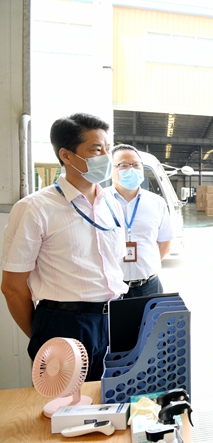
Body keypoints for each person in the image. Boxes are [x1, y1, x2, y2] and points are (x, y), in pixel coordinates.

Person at [1, 113, 128, 381]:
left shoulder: (111, 204)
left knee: (109, 400)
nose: (106, 157)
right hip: (64, 323)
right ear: (66, 155)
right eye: (97, 150)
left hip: (113, 319)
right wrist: (43, 335)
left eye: (108, 148)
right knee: (63, 404)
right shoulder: (35, 208)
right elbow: (12, 287)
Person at [108, 144, 174, 298]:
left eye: (136, 165)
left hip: (149, 286)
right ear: (110, 171)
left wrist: (147, 264)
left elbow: (165, 242)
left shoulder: (157, 202)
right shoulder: (99, 202)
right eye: (123, 165)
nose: (131, 169)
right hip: (111, 286)